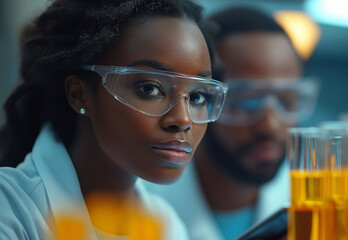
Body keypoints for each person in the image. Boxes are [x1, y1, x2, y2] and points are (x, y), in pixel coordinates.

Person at [0, 0, 228, 239]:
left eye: (198, 96)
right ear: (79, 94)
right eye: (150, 89)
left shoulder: (168, 226)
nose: (182, 119)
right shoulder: (11, 210)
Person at [145, 7, 319, 240]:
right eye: (246, 102)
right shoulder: (142, 205)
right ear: (199, 100)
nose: (270, 125)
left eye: (287, 101)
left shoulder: (313, 201)